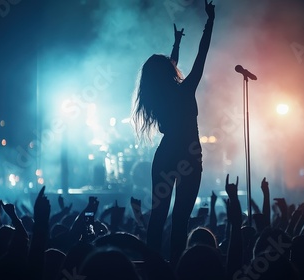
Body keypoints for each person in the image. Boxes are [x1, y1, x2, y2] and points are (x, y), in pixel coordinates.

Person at [132, 0, 215, 263]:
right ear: (168, 72)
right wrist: (209, 22)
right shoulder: (185, 89)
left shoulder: (157, 97)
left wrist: (176, 45)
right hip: (190, 154)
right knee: (180, 220)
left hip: (167, 153)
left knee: (158, 217)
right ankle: (177, 271)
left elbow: (168, 68)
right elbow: (202, 56)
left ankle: (152, 269)